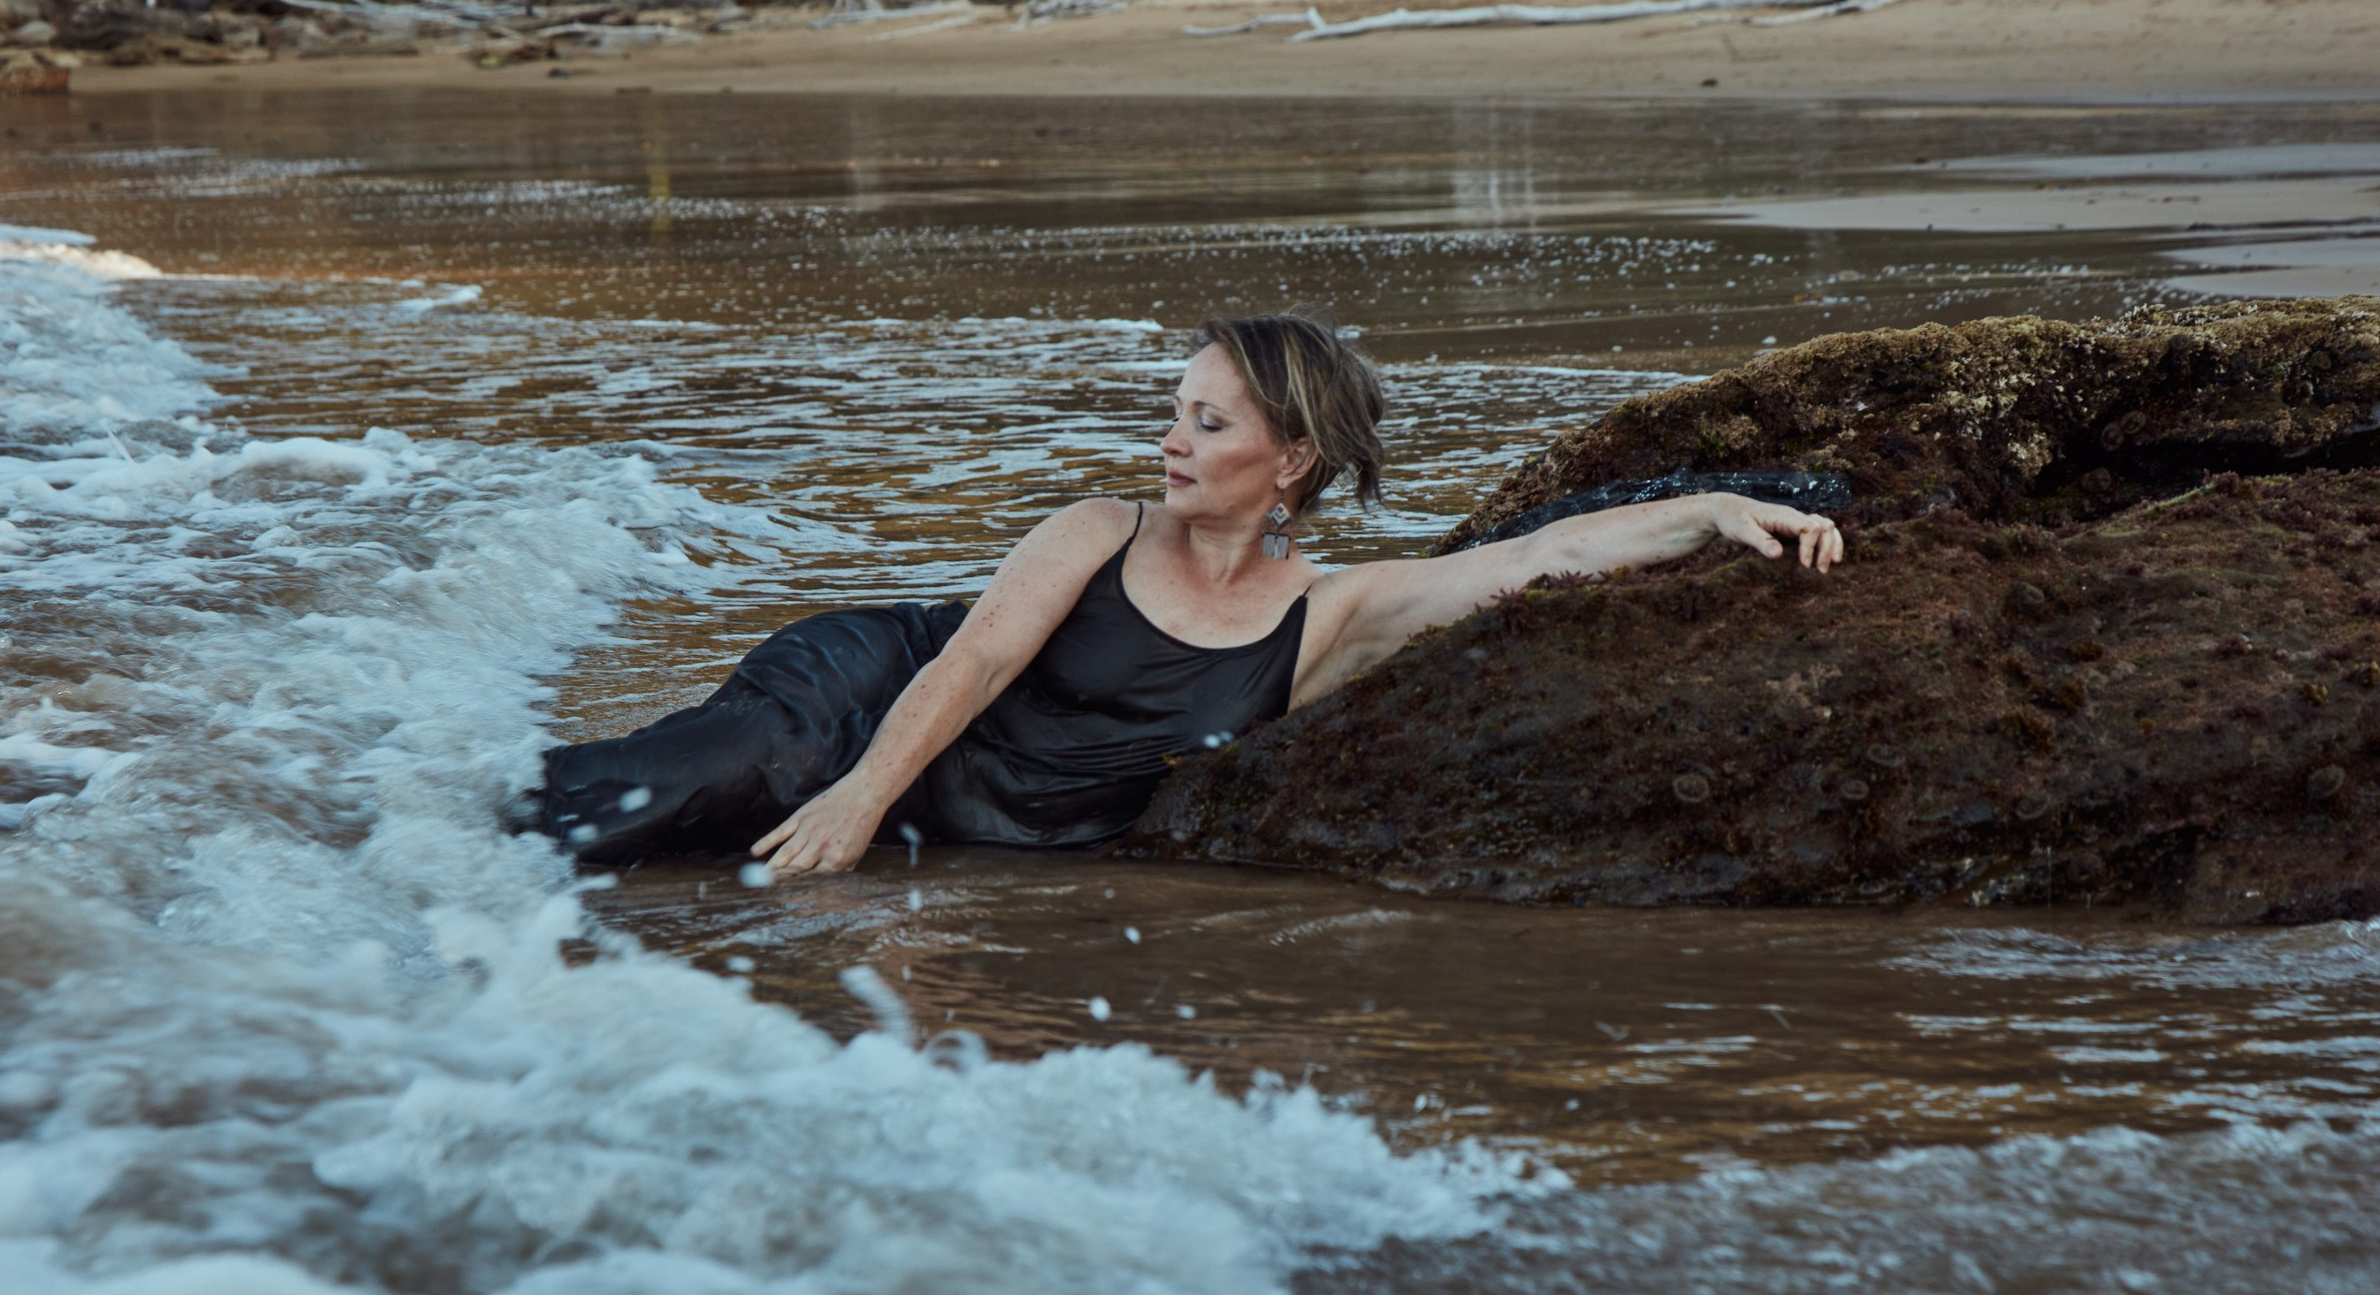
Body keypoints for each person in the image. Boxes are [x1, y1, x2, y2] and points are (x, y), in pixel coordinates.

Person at [537, 314, 1844, 874]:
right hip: (856, 702)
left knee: (683, 863)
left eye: (1206, 423)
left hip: (968, 817)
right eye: (1174, 411)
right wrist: (858, 800)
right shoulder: (1098, 529)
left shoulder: (1324, 617)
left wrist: (1715, 513)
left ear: (1290, 461)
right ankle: (407, 835)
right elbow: (973, 665)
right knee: (634, 805)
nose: (1171, 442)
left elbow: (1519, 564)